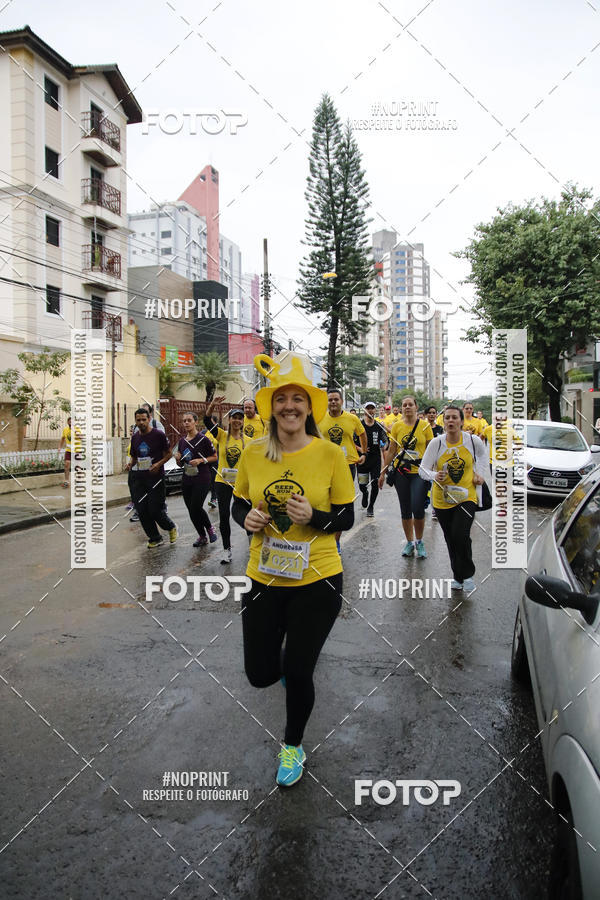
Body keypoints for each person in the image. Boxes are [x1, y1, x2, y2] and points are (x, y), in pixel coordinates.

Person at [232, 353, 355, 787]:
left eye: (297, 399)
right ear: (270, 407)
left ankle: (292, 746)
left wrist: (315, 518)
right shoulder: (252, 454)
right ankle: (287, 664)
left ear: (309, 407)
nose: (289, 406)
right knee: (261, 674)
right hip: (264, 578)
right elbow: (238, 503)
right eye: (281, 398)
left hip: (317, 580)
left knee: (300, 672)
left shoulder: (330, 454)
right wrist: (245, 519)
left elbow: (345, 517)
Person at [419, 405, 489, 592]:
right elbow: (422, 469)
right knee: (451, 538)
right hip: (443, 500)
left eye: (454, 418)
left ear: (461, 421)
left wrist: (479, 474)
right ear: (443, 422)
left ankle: (468, 574)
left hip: (467, 497)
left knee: (460, 534)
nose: (450, 421)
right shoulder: (437, 443)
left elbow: (483, 457)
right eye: (447, 418)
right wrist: (435, 475)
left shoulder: (473, 441)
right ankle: (458, 576)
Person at [379, 396, 433, 558]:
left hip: (419, 473)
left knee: (418, 508)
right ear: (401, 408)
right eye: (404, 405)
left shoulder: (425, 426)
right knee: (405, 509)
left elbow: (432, 450)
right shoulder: (397, 427)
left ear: (416, 407)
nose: (407, 407)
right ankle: (409, 543)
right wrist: (382, 472)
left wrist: (434, 473)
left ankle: (420, 541)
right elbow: (392, 450)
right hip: (401, 472)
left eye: (410, 404)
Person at [318, 388, 367, 550]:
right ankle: (325, 537)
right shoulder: (319, 418)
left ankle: (336, 541)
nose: (333, 402)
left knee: (340, 502)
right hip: (324, 465)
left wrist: (364, 452)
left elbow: (362, 434)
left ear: (341, 401)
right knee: (324, 502)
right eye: (330, 400)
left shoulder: (352, 418)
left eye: (335, 399)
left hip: (347, 464)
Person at [128, 408, 177, 549]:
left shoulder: (158, 435)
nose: (141, 422)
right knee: (142, 510)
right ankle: (155, 537)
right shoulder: (135, 437)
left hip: (156, 478)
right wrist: (130, 465)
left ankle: (171, 527)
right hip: (139, 478)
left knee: (155, 509)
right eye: (138, 420)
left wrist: (158, 464)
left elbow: (168, 454)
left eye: (144, 419)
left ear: (149, 419)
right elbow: (135, 456)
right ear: (135, 421)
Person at [204, 398, 245, 563]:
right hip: (222, 482)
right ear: (229, 420)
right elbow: (207, 420)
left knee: (245, 514)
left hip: (241, 484)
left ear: (242, 421)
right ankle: (226, 550)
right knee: (224, 515)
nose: (236, 420)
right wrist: (212, 405)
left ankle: (252, 546)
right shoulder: (222, 435)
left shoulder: (247, 441)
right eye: (234, 417)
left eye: (239, 418)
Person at [175, 412, 218, 547]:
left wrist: (201, 460)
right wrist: (177, 459)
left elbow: (214, 457)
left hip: (202, 478)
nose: (186, 423)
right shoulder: (182, 441)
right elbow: (181, 463)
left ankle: (210, 528)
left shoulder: (203, 439)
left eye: (189, 420)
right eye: (184, 421)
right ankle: (202, 536)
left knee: (196, 507)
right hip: (187, 479)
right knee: (191, 510)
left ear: (195, 422)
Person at [357, 401, 388, 516]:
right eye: (368, 408)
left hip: (375, 459)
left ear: (375, 410)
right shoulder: (359, 425)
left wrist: (385, 444)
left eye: (372, 408)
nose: (370, 410)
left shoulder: (379, 426)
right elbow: (351, 441)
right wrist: (362, 450)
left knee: (375, 482)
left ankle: (371, 507)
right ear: (364, 410)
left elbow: (385, 439)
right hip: (362, 460)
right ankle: (364, 493)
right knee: (362, 485)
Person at [424, 406, 444, 520]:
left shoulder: (440, 429)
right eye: (430, 413)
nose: (432, 415)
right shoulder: (423, 427)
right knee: (426, 485)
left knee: (435, 485)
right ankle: (424, 503)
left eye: (434, 413)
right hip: (425, 461)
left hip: (436, 461)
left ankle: (434, 509)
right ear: (426, 415)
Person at [58, 416, 82, 488]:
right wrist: (59, 447)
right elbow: (62, 438)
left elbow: (81, 437)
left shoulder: (77, 429)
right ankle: (66, 480)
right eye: (70, 421)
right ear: (68, 422)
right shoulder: (65, 430)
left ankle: (79, 480)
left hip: (77, 450)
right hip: (68, 450)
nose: (71, 422)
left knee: (77, 466)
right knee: (67, 464)